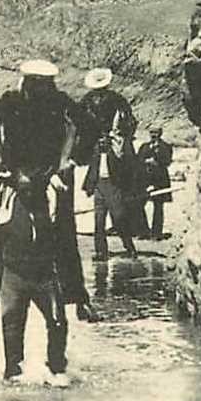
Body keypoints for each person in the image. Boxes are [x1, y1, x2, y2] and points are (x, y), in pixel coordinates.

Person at [0, 59, 97, 380]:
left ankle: (79, 298)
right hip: (13, 177)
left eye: (44, 84)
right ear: (28, 82)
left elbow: (90, 127)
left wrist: (72, 161)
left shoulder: (59, 103)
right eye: (36, 83)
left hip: (50, 177)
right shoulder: (11, 102)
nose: (40, 89)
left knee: (63, 234)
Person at [79, 67, 139, 258]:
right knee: (99, 219)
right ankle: (101, 251)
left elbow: (127, 125)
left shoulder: (101, 101)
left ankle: (129, 247)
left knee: (118, 216)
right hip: (100, 178)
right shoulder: (101, 101)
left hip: (112, 176)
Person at [138, 125, 174, 240]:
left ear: (160, 133)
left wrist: (156, 161)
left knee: (158, 206)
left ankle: (156, 233)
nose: (153, 135)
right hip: (145, 179)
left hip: (160, 180)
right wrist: (145, 161)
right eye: (151, 132)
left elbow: (167, 161)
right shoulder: (144, 147)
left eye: (156, 132)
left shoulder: (166, 147)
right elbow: (138, 160)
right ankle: (143, 231)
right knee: (139, 204)